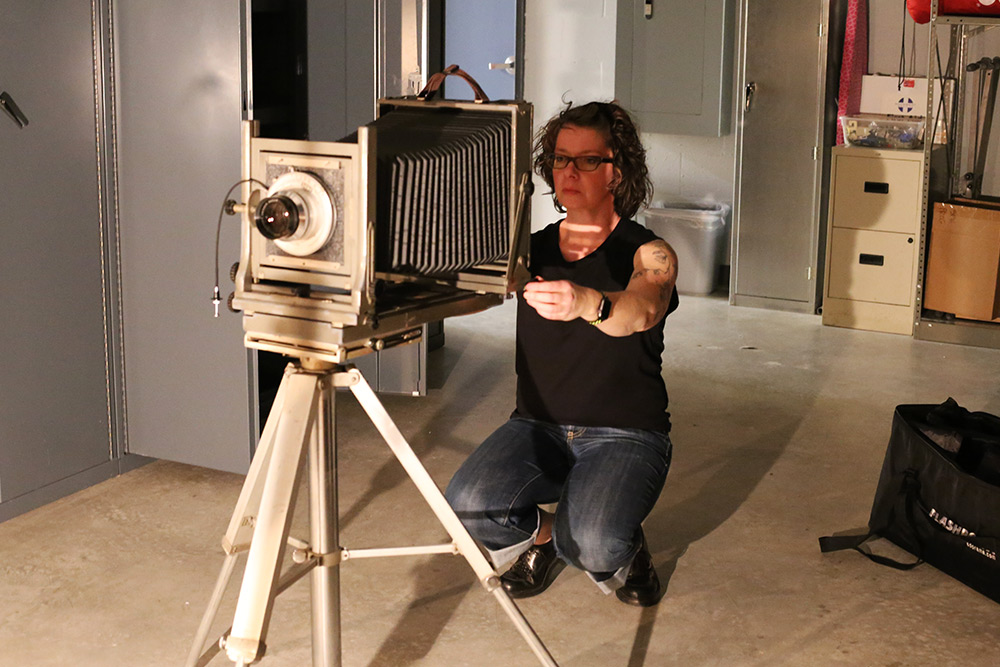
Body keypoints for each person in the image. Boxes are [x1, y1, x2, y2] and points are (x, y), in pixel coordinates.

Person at [445, 101, 679, 607]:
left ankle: (624, 547)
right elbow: (466, 290)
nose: (568, 172)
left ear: (617, 170)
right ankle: (548, 536)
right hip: (538, 426)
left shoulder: (648, 251)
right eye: (559, 158)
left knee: (592, 543)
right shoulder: (528, 251)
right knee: (467, 507)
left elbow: (640, 311)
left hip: (627, 433)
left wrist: (585, 302)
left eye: (587, 160)